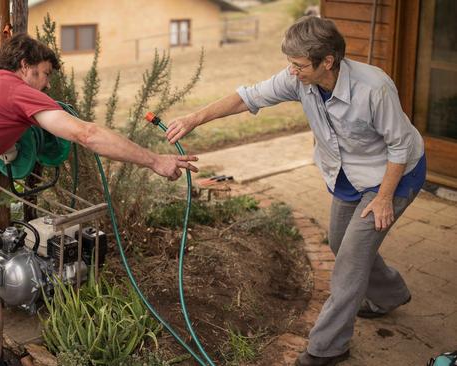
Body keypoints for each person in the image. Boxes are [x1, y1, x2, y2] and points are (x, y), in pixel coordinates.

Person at [0, 34, 198, 366]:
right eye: (45, 74)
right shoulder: (17, 90)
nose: (46, 86)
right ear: (24, 65)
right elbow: (85, 134)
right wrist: (154, 161)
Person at [165, 16, 425, 366]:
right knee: (338, 242)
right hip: (349, 174)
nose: (292, 71)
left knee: (349, 262)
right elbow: (247, 97)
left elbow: (399, 148)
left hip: (393, 174)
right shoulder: (300, 81)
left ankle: (327, 347)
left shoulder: (374, 88)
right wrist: (195, 118)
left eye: (299, 64)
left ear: (327, 62)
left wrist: (383, 199)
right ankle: (390, 293)